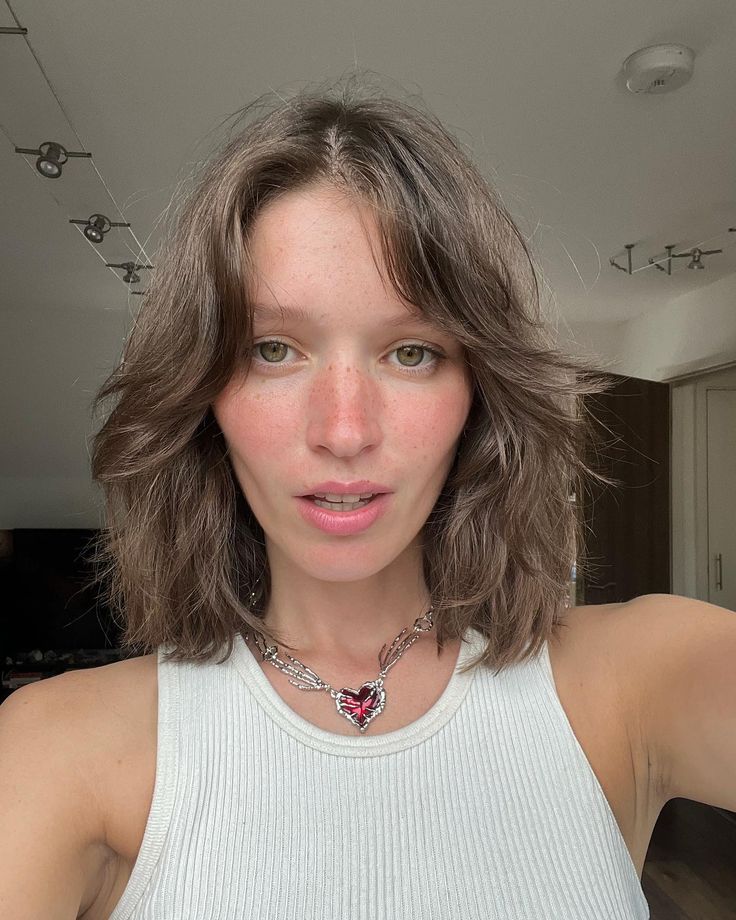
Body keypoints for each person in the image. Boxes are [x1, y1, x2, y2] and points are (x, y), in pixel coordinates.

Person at [1, 76, 735, 920]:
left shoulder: (638, 678)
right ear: (203, 394)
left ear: (479, 396)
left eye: (411, 352)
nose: (344, 430)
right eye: (273, 349)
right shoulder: (58, 748)